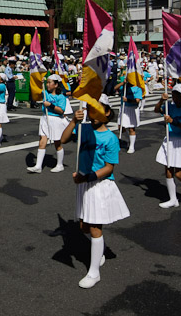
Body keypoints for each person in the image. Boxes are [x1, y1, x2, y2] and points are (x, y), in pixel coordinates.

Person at [61, 95, 129, 289]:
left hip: (99, 184)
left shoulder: (110, 138)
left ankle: (94, 272)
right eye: (91, 109)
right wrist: (74, 120)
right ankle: (101, 250)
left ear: (107, 112)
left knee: (94, 228)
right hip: (84, 184)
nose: (93, 114)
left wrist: (88, 177)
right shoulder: (85, 129)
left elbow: (109, 168)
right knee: (83, 226)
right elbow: (64, 139)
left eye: (98, 109)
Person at [28, 74, 70, 173]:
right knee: (42, 141)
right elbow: (36, 91)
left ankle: (60, 165)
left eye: (49, 82)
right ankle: (38, 166)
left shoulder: (61, 97)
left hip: (55, 120)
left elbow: (61, 110)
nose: (48, 85)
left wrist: (50, 105)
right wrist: (40, 83)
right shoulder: (45, 93)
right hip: (44, 118)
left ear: (56, 85)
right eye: (47, 82)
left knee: (57, 143)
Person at [115, 79, 143, 154]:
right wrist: (122, 83)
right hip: (123, 108)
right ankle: (129, 138)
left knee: (131, 128)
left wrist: (128, 100)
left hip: (132, 109)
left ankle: (131, 146)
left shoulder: (138, 88)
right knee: (120, 127)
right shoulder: (124, 86)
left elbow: (137, 100)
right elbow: (115, 88)